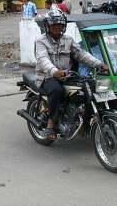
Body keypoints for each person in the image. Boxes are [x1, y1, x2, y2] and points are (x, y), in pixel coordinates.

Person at [36, 9, 107, 139]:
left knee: (90, 87)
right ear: (48, 26)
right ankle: (51, 125)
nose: (57, 27)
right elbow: (43, 60)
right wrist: (54, 71)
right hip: (47, 77)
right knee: (56, 90)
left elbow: (81, 54)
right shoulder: (41, 41)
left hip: (67, 75)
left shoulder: (68, 39)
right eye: (54, 25)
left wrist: (98, 64)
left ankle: (85, 122)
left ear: (63, 26)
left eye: (60, 25)